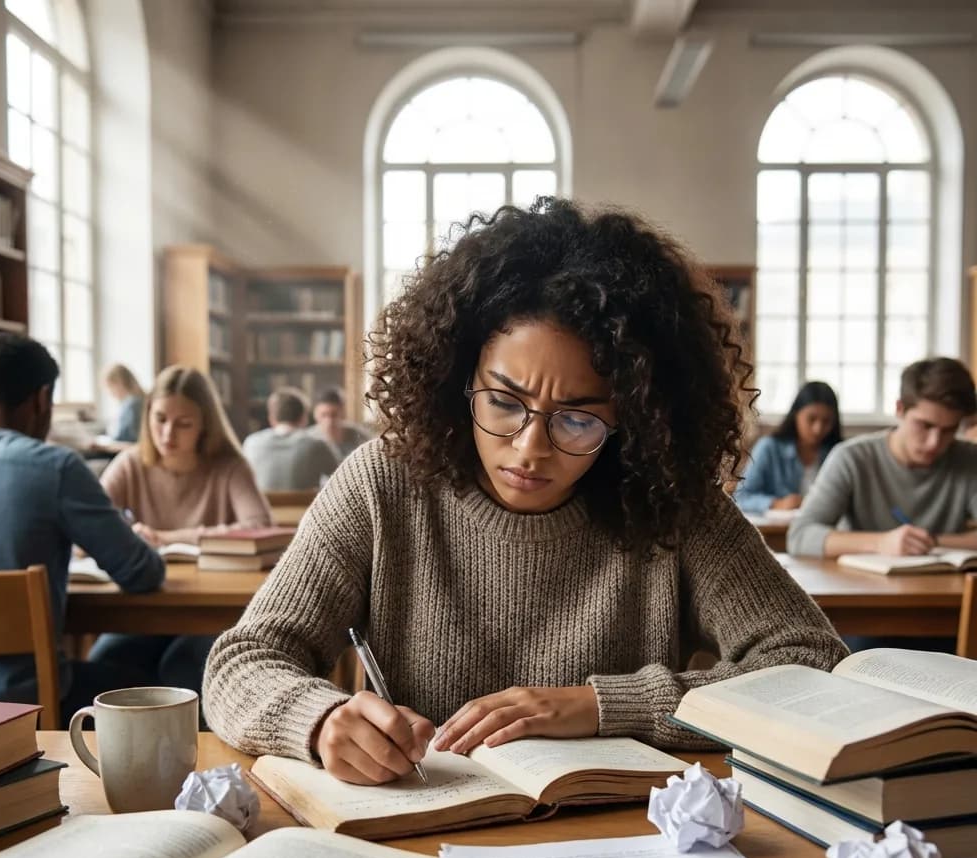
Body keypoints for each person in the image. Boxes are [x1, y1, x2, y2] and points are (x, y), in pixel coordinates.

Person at [202, 197, 845, 785]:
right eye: (505, 402)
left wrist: (602, 704)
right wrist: (319, 720)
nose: (530, 447)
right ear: (458, 378)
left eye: (578, 419)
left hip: (624, 840)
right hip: (425, 833)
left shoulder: (671, 502)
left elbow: (812, 663)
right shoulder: (383, 483)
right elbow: (241, 662)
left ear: (635, 418)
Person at [0, 333, 164, 717]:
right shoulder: (55, 468)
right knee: (160, 679)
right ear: (42, 399)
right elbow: (141, 573)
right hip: (25, 703)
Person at [90, 365, 273, 689]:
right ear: (147, 415)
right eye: (160, 419)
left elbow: (259, 526)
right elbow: (90, 523)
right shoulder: (131, 463)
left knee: (183, 668)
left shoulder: (229, 466)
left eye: (183, 424)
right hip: (142, 610)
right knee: (104, 665)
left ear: (204, 425)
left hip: (211, 612)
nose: (168, 434)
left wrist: (167, 538)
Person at [788, 358, 977, 559]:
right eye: (925, 425)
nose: (934, 442)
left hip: (947, 589)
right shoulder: (851, 458)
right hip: (865, 588)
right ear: (900, 408)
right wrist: (880, 543)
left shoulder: (971, 458)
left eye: (949, 430)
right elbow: (800, 536)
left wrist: (928, 541)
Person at [735, 381, 842, 515]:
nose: (818, 429)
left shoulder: (838, 452)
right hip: (777, 533)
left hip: (825, 531)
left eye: (826, 421)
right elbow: (741, 497)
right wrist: (776, 504)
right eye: (811, 419)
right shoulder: (769, 448)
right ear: (796, 414)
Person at [242, 387, 338, 491]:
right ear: (304, 418)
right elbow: (340, 481)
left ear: (272, 418)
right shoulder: (318, 445)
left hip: (264, 507)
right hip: (304, 507)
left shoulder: (250, 443)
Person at [308, 387, 372, 462]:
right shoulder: (309, 440)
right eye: (324, 415)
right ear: (315, 414)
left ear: (343, 413)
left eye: (334, 415)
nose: (329, 421)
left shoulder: (360, 435)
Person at [102, 363, 145, 446]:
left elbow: (124, 437)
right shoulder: (135, 401)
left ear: (119, 383)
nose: (110, 393)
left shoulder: (132, 404)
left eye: (110, 387)